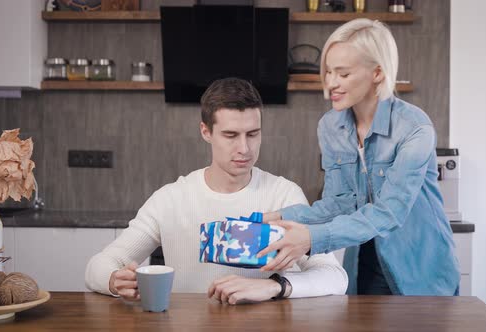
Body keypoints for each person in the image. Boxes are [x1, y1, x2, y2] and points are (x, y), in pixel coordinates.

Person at [85, 78, 348, 305]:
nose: (244, 148)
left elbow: (335, 276)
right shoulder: (171, 198)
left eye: (253, 134)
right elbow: (97, 266)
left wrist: (274, 286)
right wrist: (113, 280)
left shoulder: (284, 195)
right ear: (206, 132)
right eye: (231, 135)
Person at [258, 19, 460, 296]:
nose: (330, 84)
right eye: (328, 72)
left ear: (377, 72)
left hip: (420, 267)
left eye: (343, 74)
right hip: (365, 263)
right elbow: (338, 204)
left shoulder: (414, 128)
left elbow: (389, 212)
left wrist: (309, 238)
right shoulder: (331, 126)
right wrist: (273, 217)